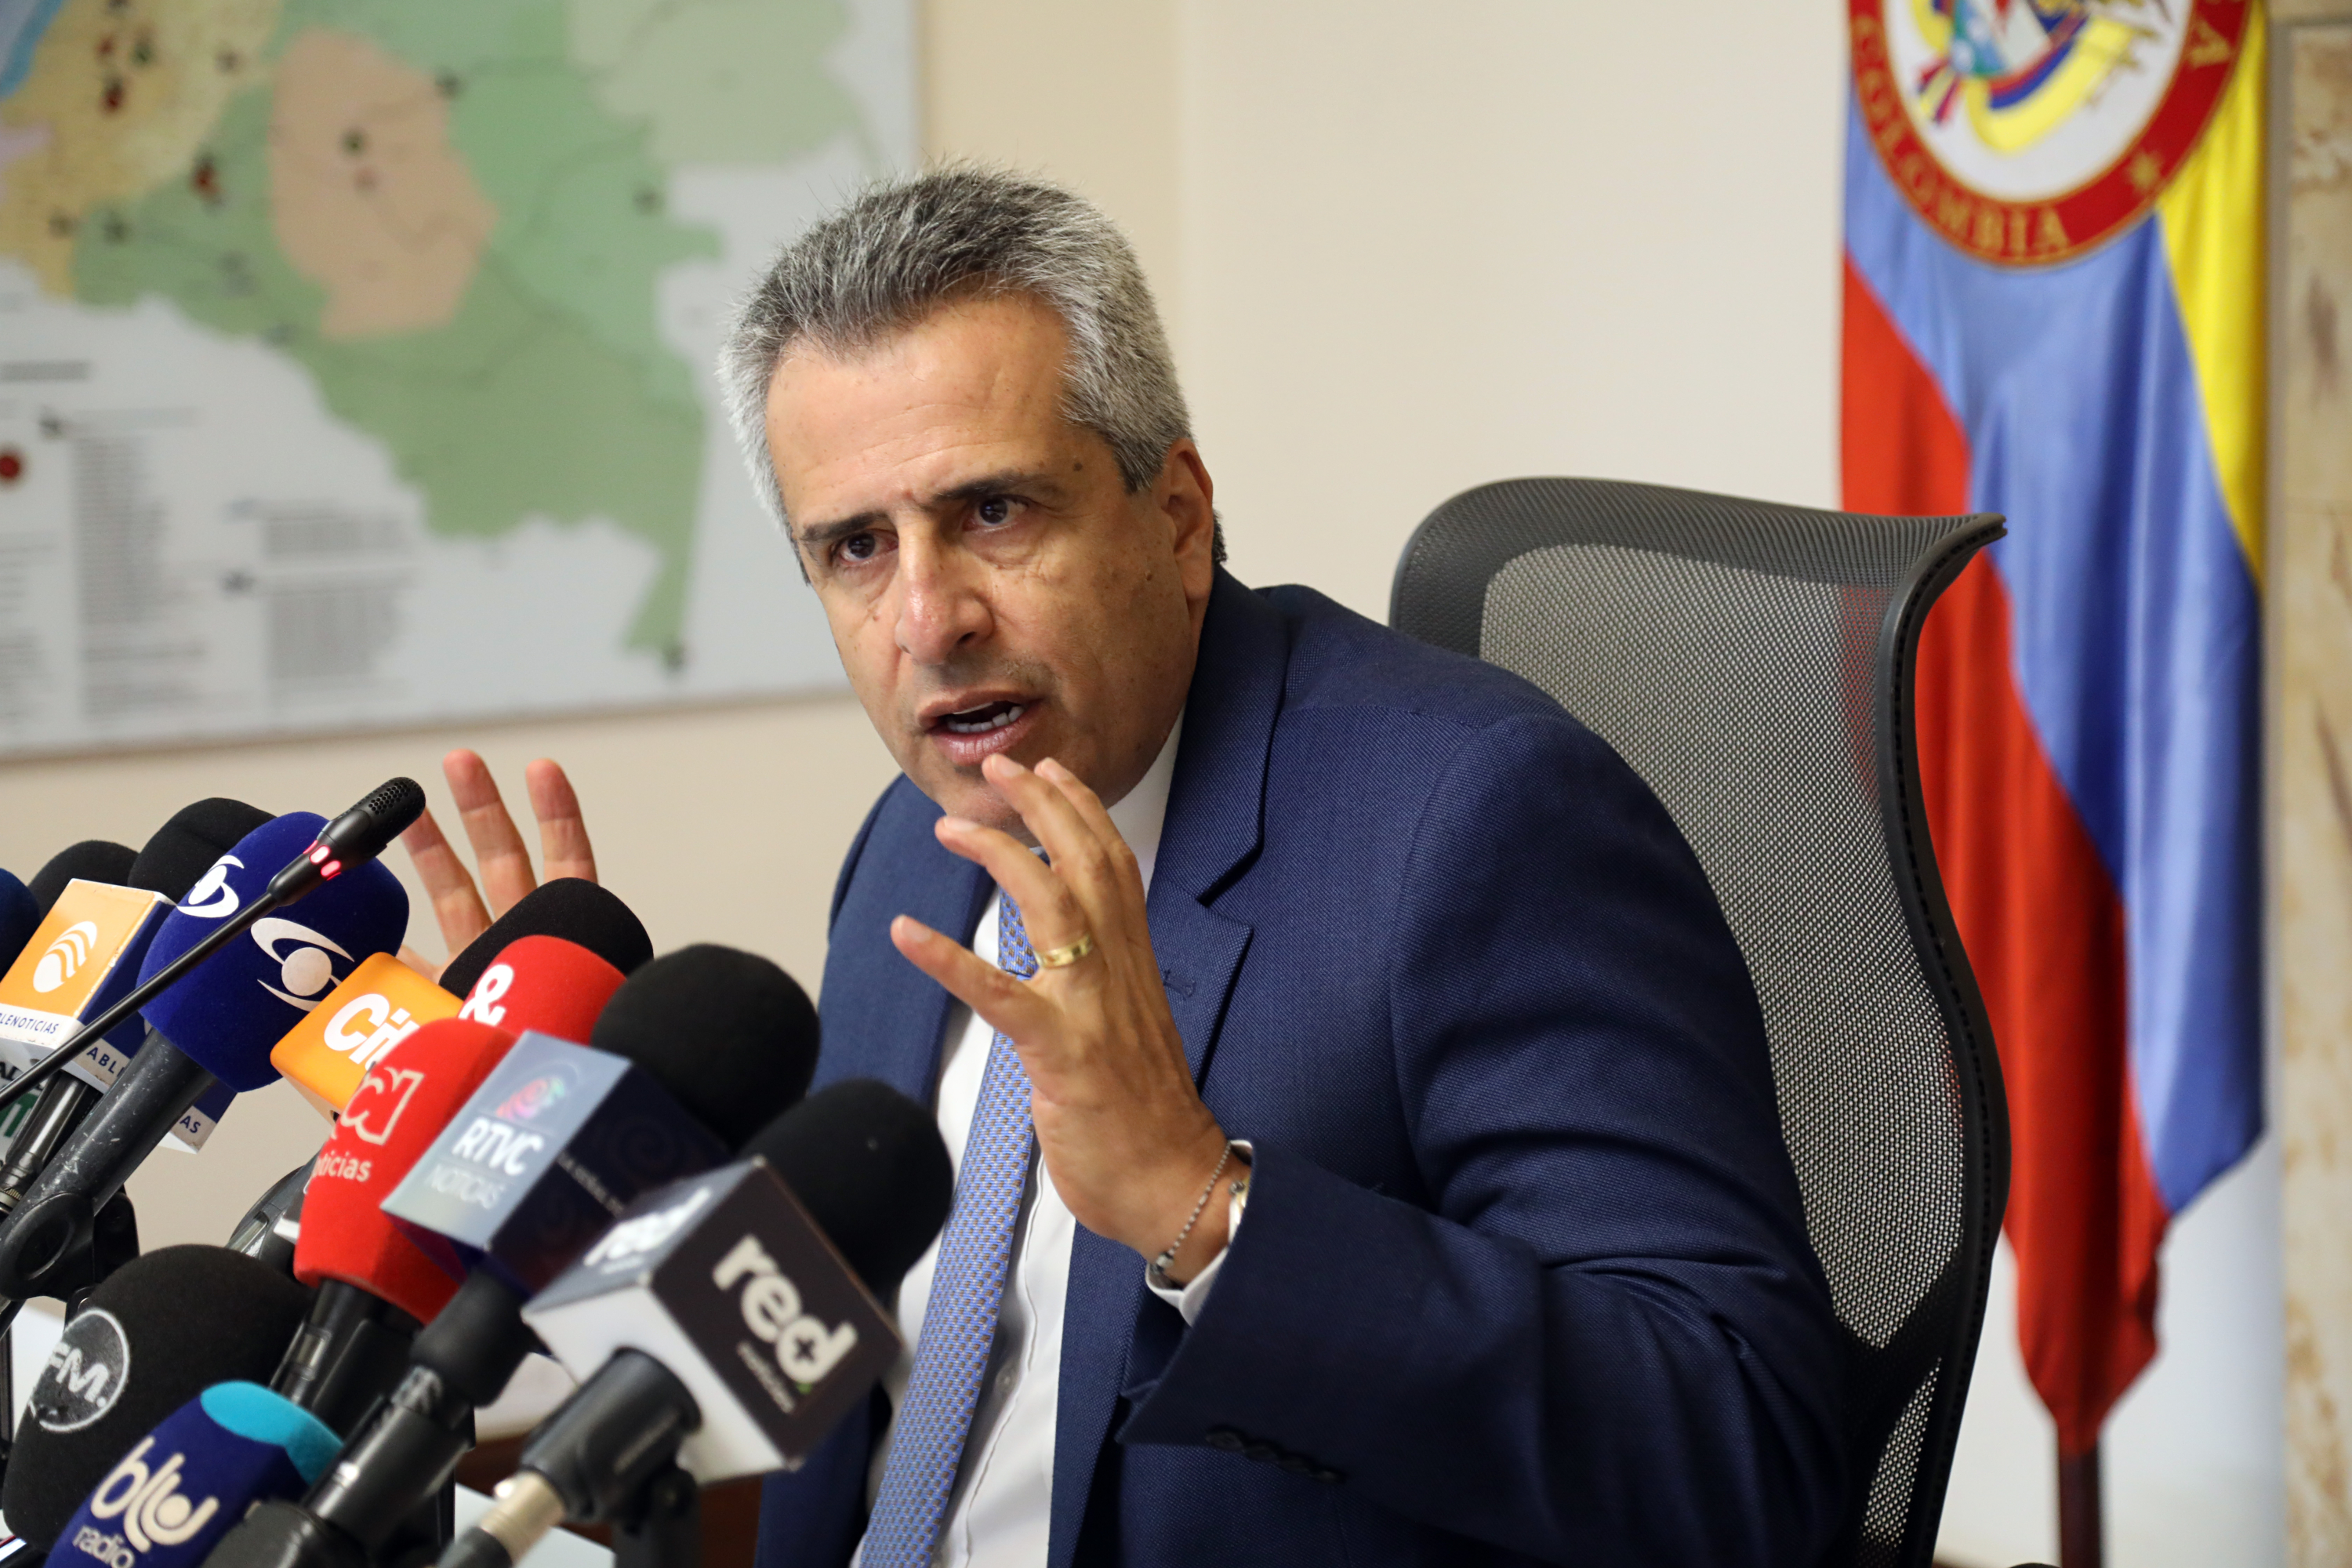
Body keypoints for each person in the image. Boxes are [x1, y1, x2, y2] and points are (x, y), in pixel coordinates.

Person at [404, 169, 1846, 1567]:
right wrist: (590, 1171)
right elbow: (840, 1361)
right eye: (855, 548)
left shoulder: (1471, 823)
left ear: (1178, 516)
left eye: (993, 512)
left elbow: (1747, 1452)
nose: (928, 620)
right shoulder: (916, 835)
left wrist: (1201, 1204)